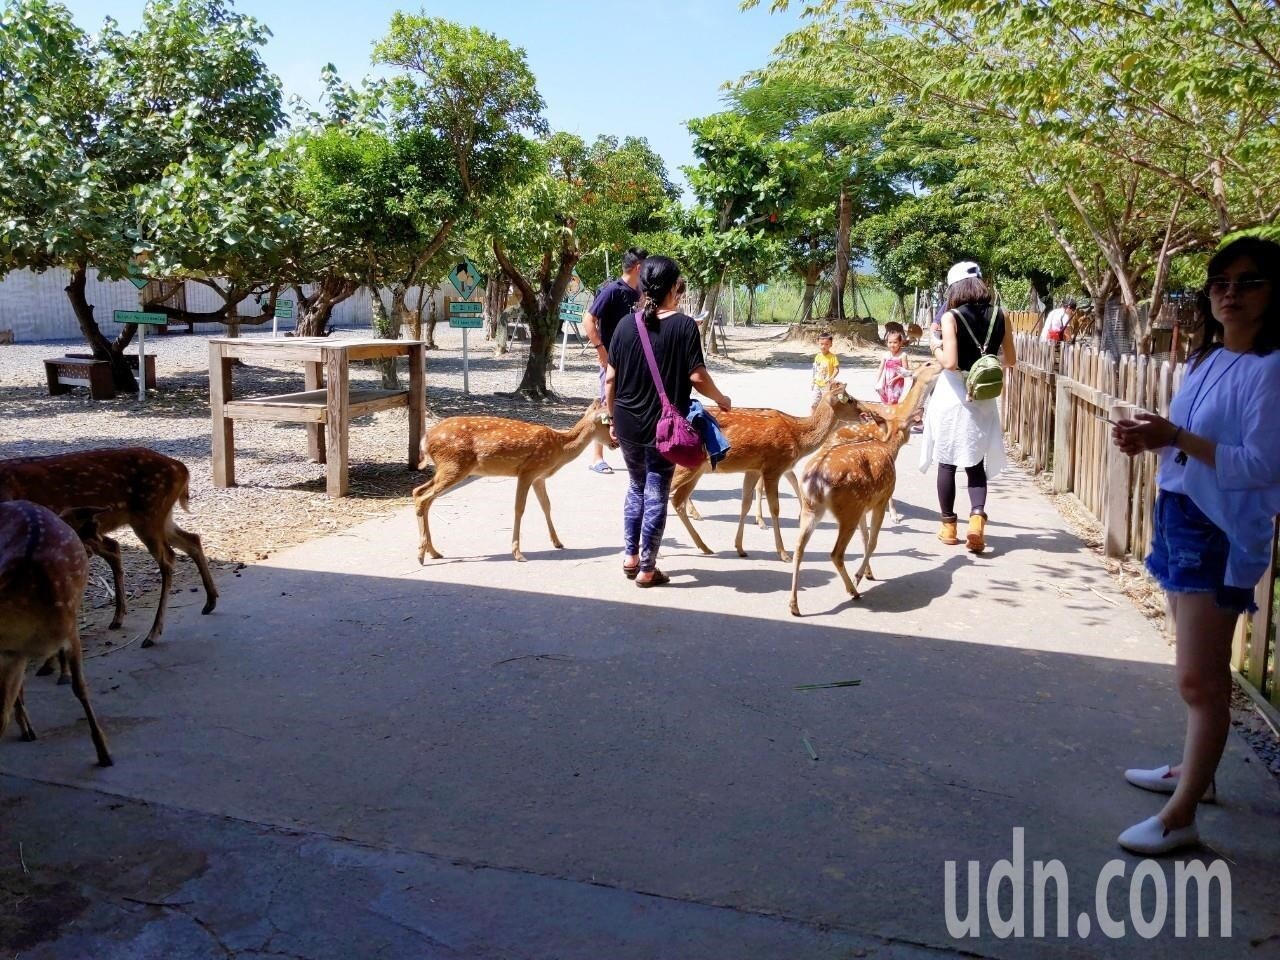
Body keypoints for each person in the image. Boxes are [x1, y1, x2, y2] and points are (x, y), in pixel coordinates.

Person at [1110, 236, 1280, 855]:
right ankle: (1195, 775)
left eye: (1249, 281)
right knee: (1196, 674)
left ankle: (1182, 816)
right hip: (1181, 516)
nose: (1230, 293)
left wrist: (1175, 433)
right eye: (1219, 282)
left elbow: (1262, 464)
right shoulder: (1207, 361)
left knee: (1199, 680)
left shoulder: (1272, 368)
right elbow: (1194, 446)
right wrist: (1153, 440)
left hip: (1221, 530)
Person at [606, 256, 731, 586]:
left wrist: (610, 418)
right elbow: (697, 376)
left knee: (635, 486)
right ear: (675, 287)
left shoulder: (624, 325)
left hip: (627, 421)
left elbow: (610, 378)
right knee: (657, 491)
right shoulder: (685, 326)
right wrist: (721, 399)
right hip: (664, 427)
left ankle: (629, 556)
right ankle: (647, 568)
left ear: (644, 287)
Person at [919, 261, 1016, 553]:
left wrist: (933, 344)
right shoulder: (1002, 315)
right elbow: (1010, 360)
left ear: (954, 287)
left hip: (953, 397)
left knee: (946, 462)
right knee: (975, 463)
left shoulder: (950, 317)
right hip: (983, 400)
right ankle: (977, 521)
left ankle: (949, 526)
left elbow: (949, 363)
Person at [583, 247, 648, 474]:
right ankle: (597, 457)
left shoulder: (641, 293)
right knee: (605, 404)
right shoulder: (612, 290)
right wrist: (601, 349)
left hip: (634, 362)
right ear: (639, 267)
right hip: (612, 361)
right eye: (646, 266)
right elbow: (588, 320)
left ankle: (634, 455)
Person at [875, 328, 912, 405]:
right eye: (890, 342)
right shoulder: (885, 355)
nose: (892, 345)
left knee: (894, 402)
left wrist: (895, 379)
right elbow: (880, 369)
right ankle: (889, 416)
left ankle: (895, 416)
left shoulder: (902, 355)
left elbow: (905, 373)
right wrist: (877, 381)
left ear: (900, 343)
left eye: (895, 342)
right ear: (887, 343)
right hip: (887, 384)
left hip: (898, 384)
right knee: (887, 402)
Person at [810, 332, 841, 410]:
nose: (823, 346)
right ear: (818, 344)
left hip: (826, 386)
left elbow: (836, 369)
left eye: (826, 344)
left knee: (826, 405)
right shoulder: (817, 356)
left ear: (831, 345)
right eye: (821, 344)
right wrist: (813, 381)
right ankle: (812, 419)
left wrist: (831, 378)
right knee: (814, 404)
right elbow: (815, 369)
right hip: (817, 384)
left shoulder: (833, 357)